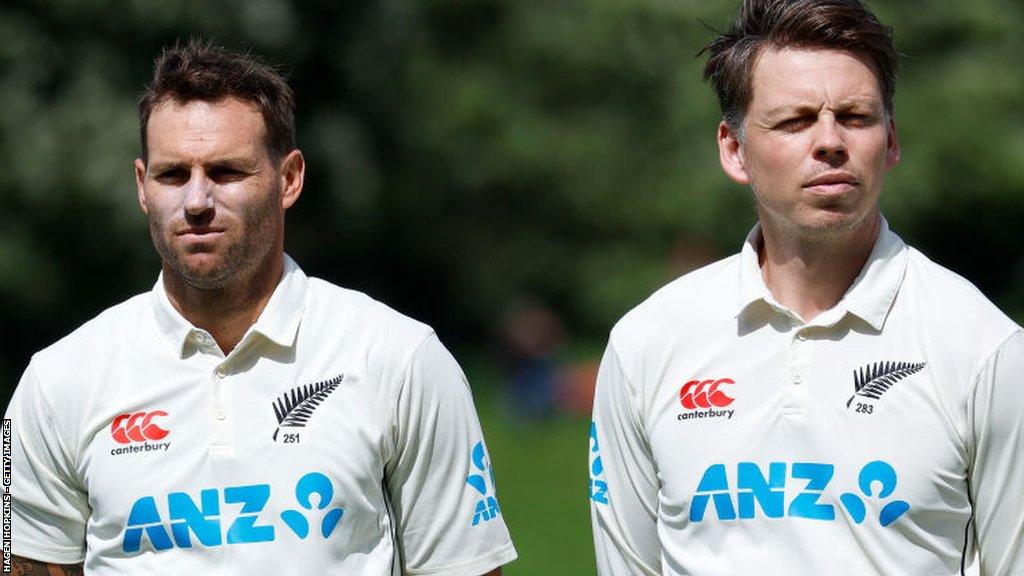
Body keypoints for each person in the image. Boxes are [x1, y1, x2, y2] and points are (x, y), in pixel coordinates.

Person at [5, 39, 516, 575]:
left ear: (289, 178)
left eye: (226, 172)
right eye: (173, 175)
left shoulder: (400, 359)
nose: (197, 202)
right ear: (142, 186)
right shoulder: (57, 379)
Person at [589, 0, 1024, 574]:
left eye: (856, 117)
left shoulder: (986, 348)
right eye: (793, 121)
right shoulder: (648, 342)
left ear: (891, 141)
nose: (830, 142)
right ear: (734, 149)